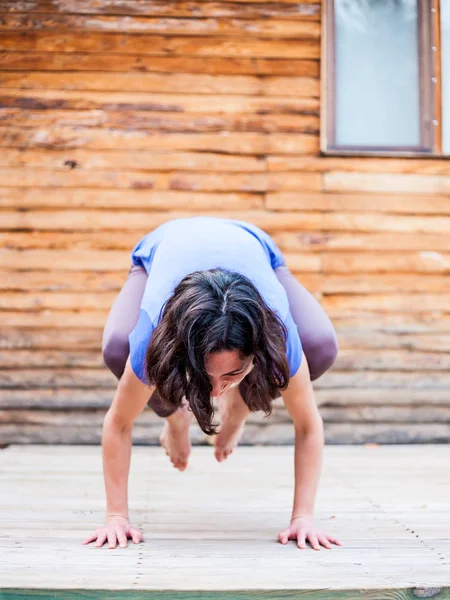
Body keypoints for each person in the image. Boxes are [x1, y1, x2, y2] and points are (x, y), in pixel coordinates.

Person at [82, 216, 342, 552]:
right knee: (119, 348)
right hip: (163, 246)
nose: (216, 391)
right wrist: (116, 516)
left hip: (253, 245)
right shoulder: (154, 337)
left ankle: (239, 411)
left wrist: (303, 518)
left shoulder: (279, 339)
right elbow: (118, 424)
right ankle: (175, 416)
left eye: (232, 375)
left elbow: (308, 425)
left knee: (320, 347)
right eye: (206, 377)